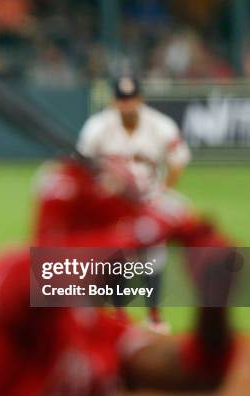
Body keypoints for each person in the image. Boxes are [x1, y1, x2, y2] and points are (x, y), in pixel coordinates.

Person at [0, 159, 235, 396]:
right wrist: (150, 228)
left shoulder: (99, 331)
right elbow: (50, 272)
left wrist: (213, 298)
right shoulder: (8, 275)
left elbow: (200, 373)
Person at [76, 76, 191, 332]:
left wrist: (162, 191)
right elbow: (81, 163)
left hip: (148, 198)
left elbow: (179, 159)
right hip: (112, 201)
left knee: (153, 252)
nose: (127, 104)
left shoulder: (160, 125)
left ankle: (154, 316)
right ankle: (117, 315)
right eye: (122, 99)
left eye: (131, 99)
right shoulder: (98, 127)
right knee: (116, 255)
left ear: (140, 99)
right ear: (114, 101)